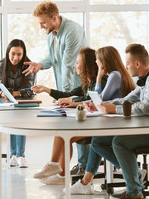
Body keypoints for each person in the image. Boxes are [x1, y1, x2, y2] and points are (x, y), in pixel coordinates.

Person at [67, 44, 149, 199]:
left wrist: (113, 109)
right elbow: (126, 100)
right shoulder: (144, 82)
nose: (126, 67)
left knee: (119, 142)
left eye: (128, 64)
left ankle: (135, 193)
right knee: (98, 141)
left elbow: (147, 107)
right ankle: (134, 178)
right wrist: (101, 105)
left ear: (137, 64)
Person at [33, 46, 135, 185]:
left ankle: (59, 172)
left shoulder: (113, 76)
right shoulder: (100, 79)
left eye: (98, 60)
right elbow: (94, 99)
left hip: (110, 125)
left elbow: (99, 99)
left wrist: (99, 76)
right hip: (105, 122)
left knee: (66, 136)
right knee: (63, 135)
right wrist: (50, 91)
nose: (96, 62)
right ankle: (58, 171)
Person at [32, 47, 106, 175]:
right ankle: (60, 174)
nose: (75, 65)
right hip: (90, 123)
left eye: (78, 62)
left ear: (86, 65)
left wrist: (73, 102)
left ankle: (55, 167)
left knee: (65, 134)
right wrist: (46, 89)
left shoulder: (100, 82)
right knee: (63, 134)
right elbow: (68, 94)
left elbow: (93, 101)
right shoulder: (87, 83)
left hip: (99, 126)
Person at [23, 1, 88, 92]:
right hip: (65, 89)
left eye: (43, 23)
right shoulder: (50, 32)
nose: (41, 27)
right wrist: (40, 64)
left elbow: (67, 64)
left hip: (78, 88)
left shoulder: (72, 31)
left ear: (54, 18)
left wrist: (64, 95)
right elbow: (53, 56)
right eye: (40, 23)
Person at [0, 39, 35, 168]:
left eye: (19, 54)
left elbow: (30, 90)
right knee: (12, 123)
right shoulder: (0, 65)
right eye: (13, 53)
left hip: (23, 102)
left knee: (20, 122)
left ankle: (20, 156)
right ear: (8, 52)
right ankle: (13, 155)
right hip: (6, 103)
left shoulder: (29, 66)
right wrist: (2, 94)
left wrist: (15, 94)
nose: (15, 57)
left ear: (23, 55)